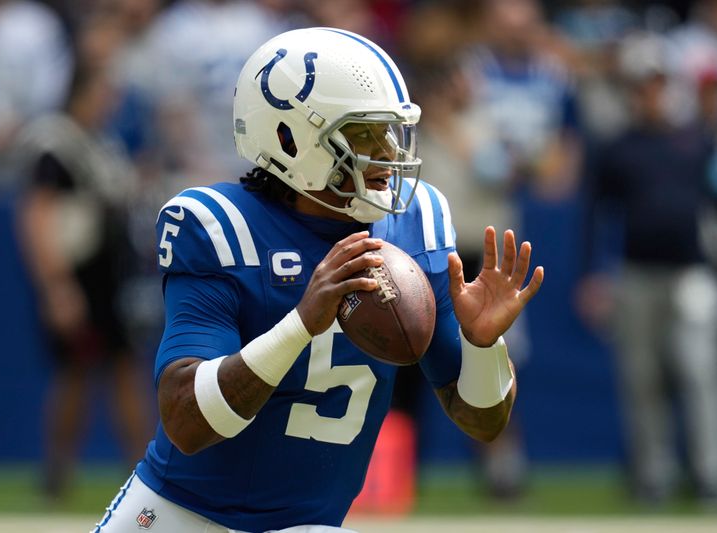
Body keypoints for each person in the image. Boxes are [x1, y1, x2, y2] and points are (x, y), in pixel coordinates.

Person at [92, 27, 543, 532]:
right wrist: (300, 324)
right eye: (366, 135)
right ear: (289, 139)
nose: (390, 156)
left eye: (392, 133)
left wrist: (482, 346)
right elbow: (185, 423)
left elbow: (482, 420)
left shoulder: (416, 223)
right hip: (183, 516)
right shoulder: (221, 226)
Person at [578, 33, 717, 504]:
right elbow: (594, 214)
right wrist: (592, 274)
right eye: (641, 84)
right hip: (637, 274)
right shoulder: (619, 147)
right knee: (642, 378)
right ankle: (652, 474)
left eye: (656, 82)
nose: (650, 92)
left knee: (699, 373)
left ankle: (708, 473)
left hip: (690, 273)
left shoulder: (697, 140)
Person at [17, 60, 152, 501]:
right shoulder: (56, 142)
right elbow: (36, 215)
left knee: (122, 368)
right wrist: (56, 285)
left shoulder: (99, 142)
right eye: (102, 91)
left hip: (109, 277)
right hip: (80, 274)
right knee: (77, 371)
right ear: (81, 91)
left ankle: (140, 471)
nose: (109, 101)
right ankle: (58, 473)